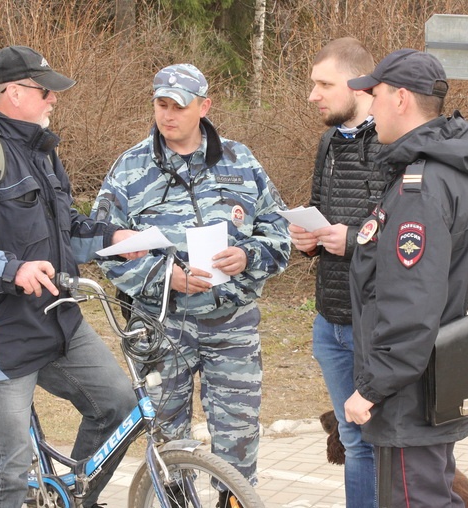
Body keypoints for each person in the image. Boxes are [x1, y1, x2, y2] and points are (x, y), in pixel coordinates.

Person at [0, 45, 145, 508]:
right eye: (46, 91)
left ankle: (68, 501)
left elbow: (64, 231)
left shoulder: (38, 149)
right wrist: (12, 269)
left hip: (55, 320)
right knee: (5, 473)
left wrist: (115, 238)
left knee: (119, 405)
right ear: (15, 93)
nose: (54, 99)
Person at [91, 63, 291, 501]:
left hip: (232, 325)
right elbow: (103, 247)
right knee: (167, 439)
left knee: (237, 438)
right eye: (161, 105)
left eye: (178, 106)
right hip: (163, 327)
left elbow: (281, 233)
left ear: (204, 106)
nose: (168, 115)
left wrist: (248, 255)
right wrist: (165, 277)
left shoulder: (242, 162)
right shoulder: (129, 169)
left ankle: (231, 501)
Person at [344, 49, 468, 507]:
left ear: (402, 98)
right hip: (430, 380)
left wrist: (371, 388)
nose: (370, 108)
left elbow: (412, 303)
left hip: (412, 394)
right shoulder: (446, 171)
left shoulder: (423, 186)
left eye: (376, 95)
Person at [290, 36, 383, 508]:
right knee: (354, 444)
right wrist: (306, 240)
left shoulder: (395, 143)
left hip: (380, 327)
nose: (313, 95)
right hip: (330, 322)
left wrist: (354, 239)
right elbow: (321, 212)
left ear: (358, 84)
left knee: (394, 447)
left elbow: (417, 239)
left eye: (323, 84)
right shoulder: (328, 141)